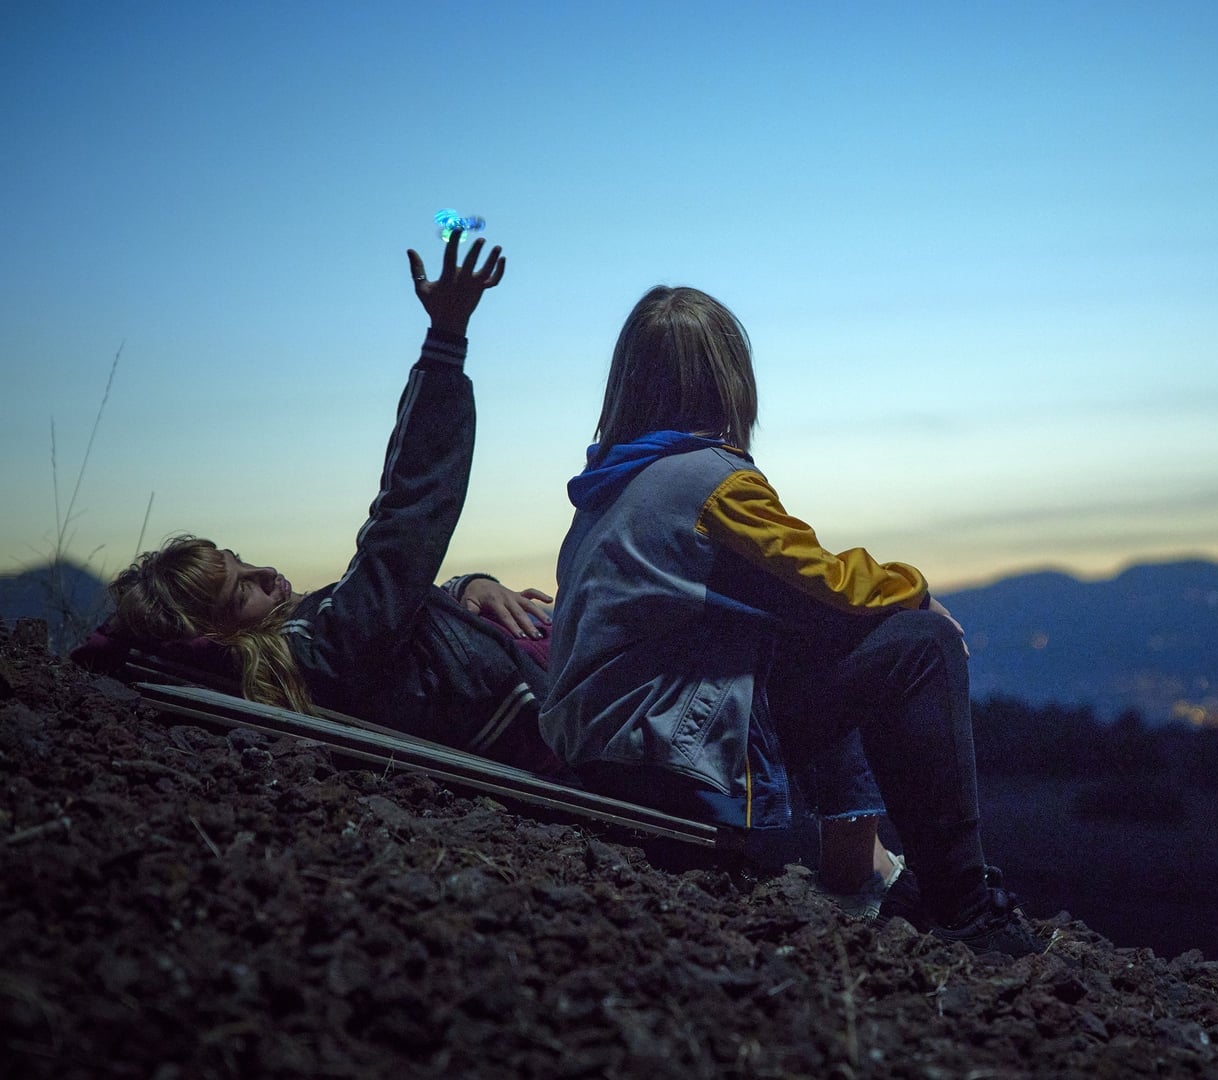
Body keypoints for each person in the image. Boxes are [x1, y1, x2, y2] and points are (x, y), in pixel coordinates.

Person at [542, 285, 1039, 955]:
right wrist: (916, 593)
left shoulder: (608, 491)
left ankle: (862, 870)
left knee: (811, 634)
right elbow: (830, 583)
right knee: (918, 643)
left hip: (604, 755)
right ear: (730, 378)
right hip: (662, 761)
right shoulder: (711, 482)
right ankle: (966, 910)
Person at [100, 230, 558, 774]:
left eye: (240, 561)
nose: (264, 572)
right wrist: (446, 337)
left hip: (564, 663)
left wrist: (467, 588)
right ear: (217, 636)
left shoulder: (324, 634)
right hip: (582, 704)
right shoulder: (323, 652)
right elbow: (406, 520)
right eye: (240, 590)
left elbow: (408, 617)